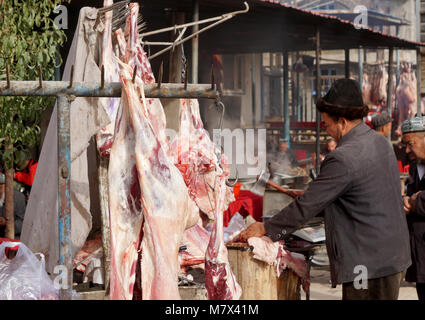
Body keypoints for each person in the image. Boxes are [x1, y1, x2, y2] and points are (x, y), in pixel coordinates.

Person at [239, 78, 411, 300]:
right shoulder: (381, 143)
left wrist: (268, 228)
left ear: (341, 121)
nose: (326, 130)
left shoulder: (343, 157)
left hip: (368, 263)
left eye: (327, 124)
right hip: (395, 255)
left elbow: (307, 206)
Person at [400, 116, 425, 300]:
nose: (407, 150)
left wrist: (418, 201)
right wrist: (407, 200)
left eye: (411, 144)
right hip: (420, 259)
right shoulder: (416, 166)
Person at [0, 173, 27, 239]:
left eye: (1, 185)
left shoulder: (18, 198)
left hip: (13, 240)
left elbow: (23, 223)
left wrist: (7, 223)